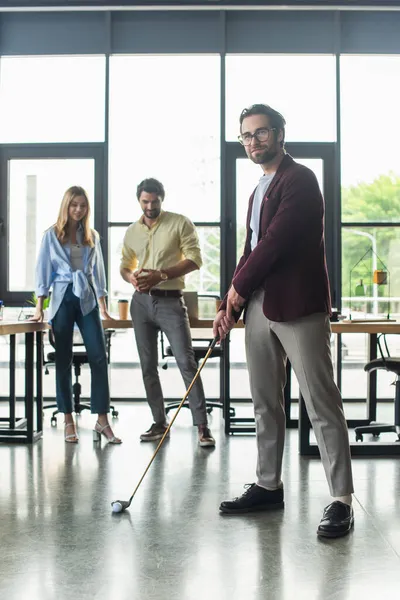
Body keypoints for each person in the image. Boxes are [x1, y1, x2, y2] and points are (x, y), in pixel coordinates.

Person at [213, 104, 354, 538]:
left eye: (260, 133)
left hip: (298, 307)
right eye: (246, 136)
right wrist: (229, 302)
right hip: (258, 306)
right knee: (264, 401)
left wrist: (238, 291)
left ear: (279, 133)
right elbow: (251, 248)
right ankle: (268, 485)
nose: (253, 142)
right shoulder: (257, 191)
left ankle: (341, 500)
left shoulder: (301, 180)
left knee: (320, 400)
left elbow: (275, 245)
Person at [120, 177, 215, 447]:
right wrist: (131, 278)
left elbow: (195, 259)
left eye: (155, 201)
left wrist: (161, 274)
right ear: (139, 200)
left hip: (171, 301)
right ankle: (159, 423)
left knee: (186, 363)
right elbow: (125, 265)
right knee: (148, 367)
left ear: (162, 198)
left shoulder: (179, 223)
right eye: (145, 201)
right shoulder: (132, 231)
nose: (150, 206)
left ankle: (202, 427)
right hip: (140, 303)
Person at [32, 186, 121, 445]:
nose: (78, 210)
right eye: (74, 205)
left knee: (98, 355)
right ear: (66, 206)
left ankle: (101, 419)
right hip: (61, 297)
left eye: (83, 205)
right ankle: (68, 418)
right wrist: (40, 306)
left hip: (87, 298)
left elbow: (99, 272)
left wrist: (103, 306)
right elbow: (43, 272)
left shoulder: (92, 236)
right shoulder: (51, 235)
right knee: (63, 358)